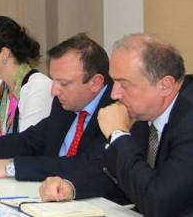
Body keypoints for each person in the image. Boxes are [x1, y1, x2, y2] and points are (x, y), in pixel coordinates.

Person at [0, 33, 126, 202]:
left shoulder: (119, 111)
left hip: (95, 203)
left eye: (64, 83)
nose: (54, 91)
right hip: (52, 196)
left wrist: (10, 167)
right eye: (54, 81)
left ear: (95, 82)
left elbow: (84, 164)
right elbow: (32, 139)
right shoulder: (65, 101)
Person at [41, 34, 193, 216]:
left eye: (124, 84)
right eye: (114, 82)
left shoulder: (188, 121)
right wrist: (69, 186)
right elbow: (118, 171)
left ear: (165, 86)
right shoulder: (144, 111)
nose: (114, 94)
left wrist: (118, 135)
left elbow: (159, 203)